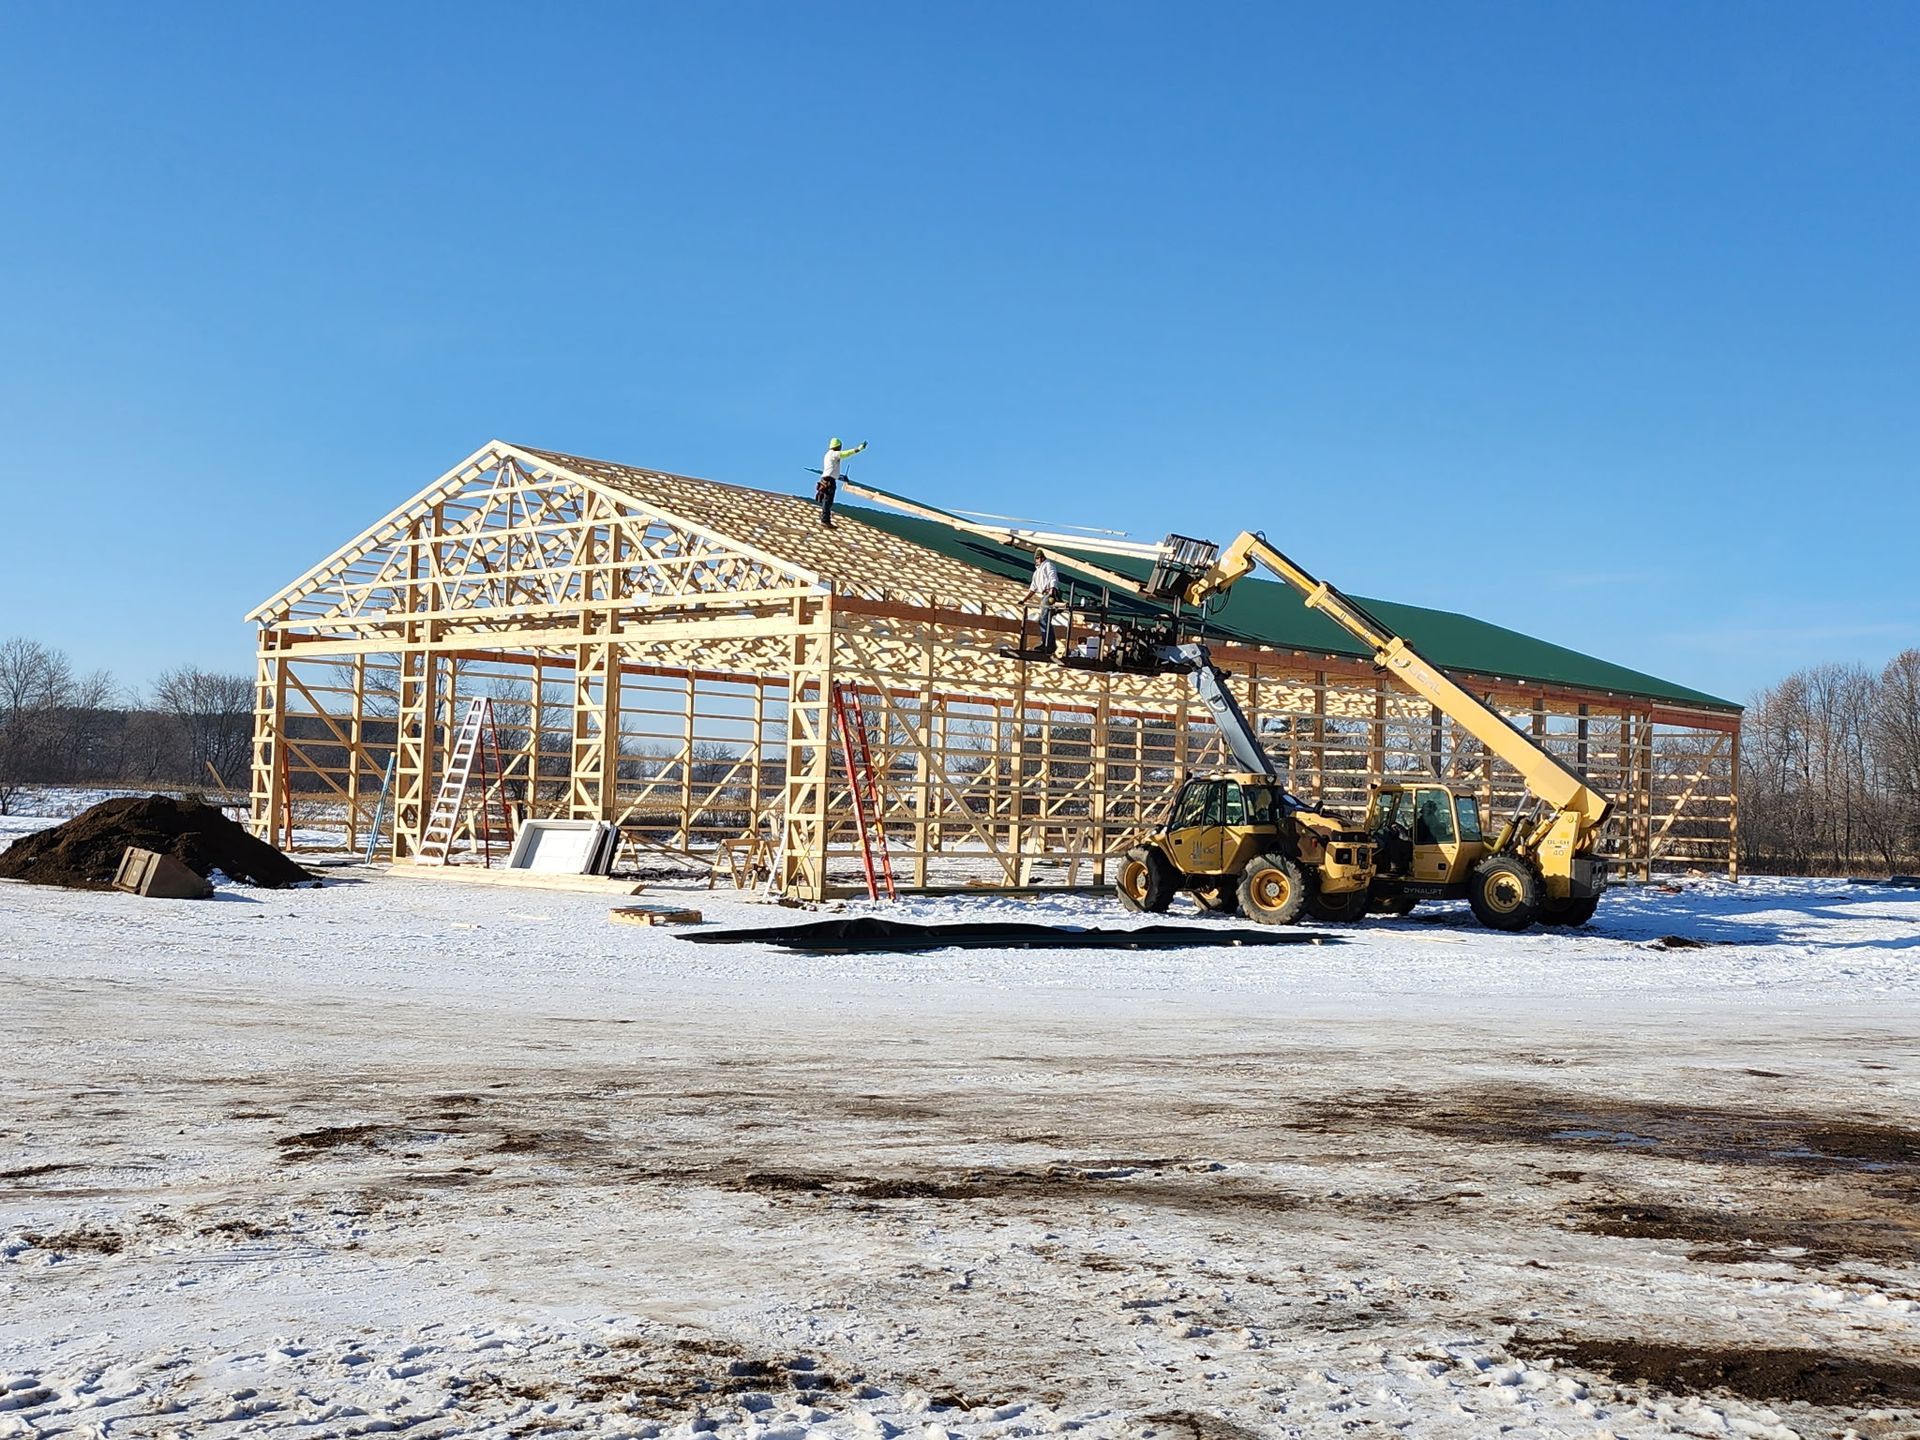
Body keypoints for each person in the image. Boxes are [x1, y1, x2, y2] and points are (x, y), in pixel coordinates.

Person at [816, 436, 866, 527]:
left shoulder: (828, 454)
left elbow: (831, 470)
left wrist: (840, 477)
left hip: (826, 479)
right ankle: (825, 521)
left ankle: (825, 519)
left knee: (827, 501)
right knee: (828, 501)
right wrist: (858, 449)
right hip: (829, 481)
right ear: (838, 446)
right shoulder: (834, 454)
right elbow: (845, 454)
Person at [1023, 550, 1060, 652]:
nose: (1039, 560)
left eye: (1040, 558)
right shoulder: (1036, 573)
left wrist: (1052, 589)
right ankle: (1049, 644)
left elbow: (1052, 576)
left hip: (1050, 593)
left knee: (1043, 620)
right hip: (1045, 594)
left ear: (1043, 558)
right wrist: (1024, 600)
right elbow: (1033, 589)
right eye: (1037, 558)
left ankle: (1048, 645)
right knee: (1044, 620)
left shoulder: (1048, 565)